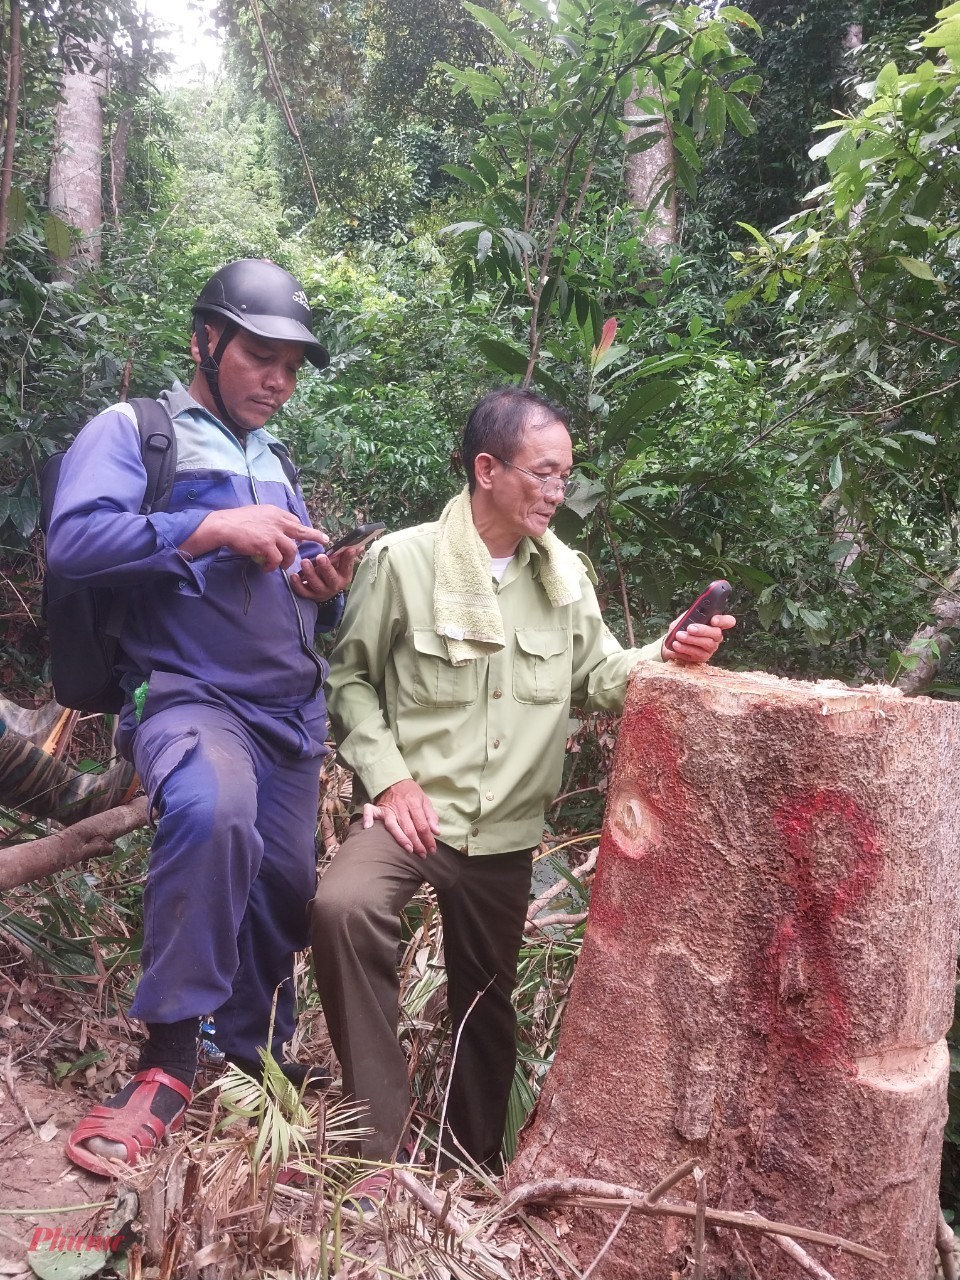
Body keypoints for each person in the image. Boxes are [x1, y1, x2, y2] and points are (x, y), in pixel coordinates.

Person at [311, 385, 736, 1188]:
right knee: (342, 907)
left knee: (486, 1000)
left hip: (505, 829)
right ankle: (378, 1152)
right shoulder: (403, 562)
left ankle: (470, 1167)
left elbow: (602, 678)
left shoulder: (564, 575)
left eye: (565, 475)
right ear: (486, 469)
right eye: (542, 473)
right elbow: (352, 683)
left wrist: (668, 653)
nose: (557, 492)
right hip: (415, 815)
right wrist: (392, 780)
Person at [47, 259, 360, 1176]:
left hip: (290, 716)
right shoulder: (137, 432)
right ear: (204, 342)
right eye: (262, 357)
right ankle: (167, 1064)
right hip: (189, 695)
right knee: (211, 811)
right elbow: (71, 543)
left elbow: (289, 604)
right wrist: (211, 527)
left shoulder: (279, 464)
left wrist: (322, 590)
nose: (279, 380)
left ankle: (252, 1053)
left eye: (293, 367)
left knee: (284, 885)